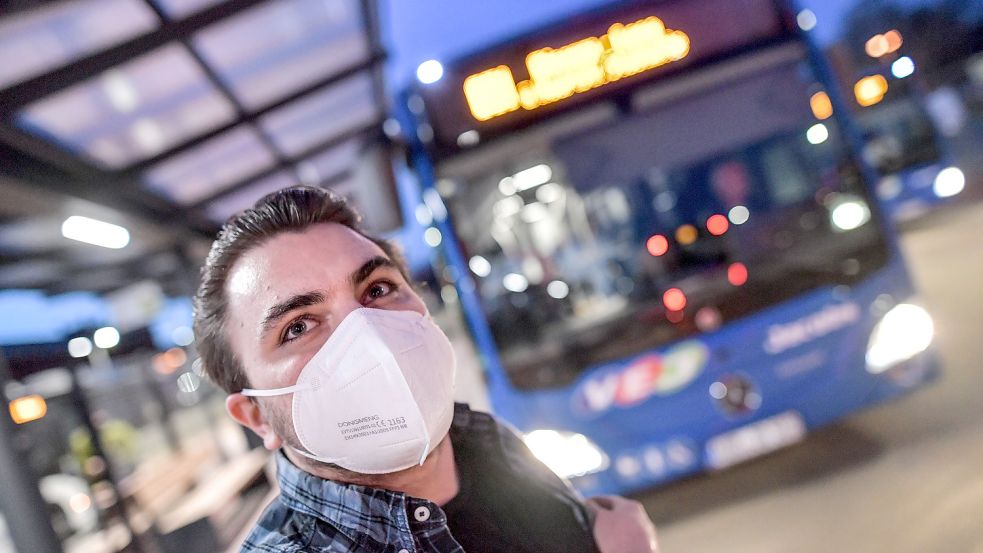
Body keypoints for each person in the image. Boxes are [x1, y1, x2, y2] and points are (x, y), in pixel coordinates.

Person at [193, 186, 659, 552]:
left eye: (377, 290)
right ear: (255, 415)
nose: (368, 336)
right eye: (298, 328)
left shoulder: (490, 447)